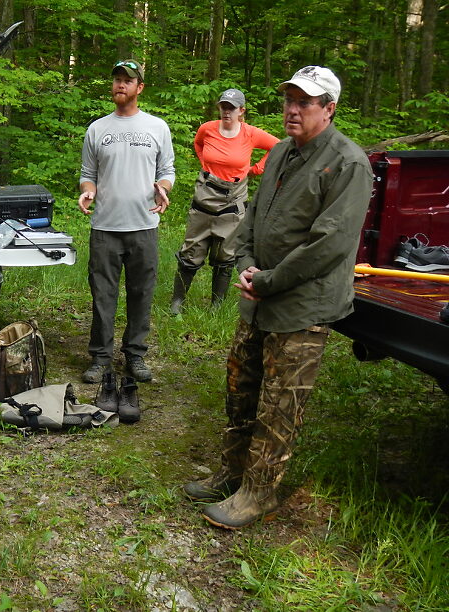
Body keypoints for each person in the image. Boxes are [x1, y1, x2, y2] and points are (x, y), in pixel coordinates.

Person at [183, 66, 373, 529]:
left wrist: (268, 280)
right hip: (258, 296)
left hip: (301, 306)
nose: (291, 108)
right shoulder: (283, 151)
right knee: (240, 389)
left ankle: (259, 491)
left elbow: (329, 244)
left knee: (279, 403)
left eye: (303, 102)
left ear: (328, 109)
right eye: (289, 98)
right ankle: (232, 472)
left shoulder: (348, 164)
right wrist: (246, 261)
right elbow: (250, 218)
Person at [78, 59, 175, 384]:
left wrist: (163, 188)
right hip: (105, 227)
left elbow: (167, 172)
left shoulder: (157, 128)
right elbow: (88, 175)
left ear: (139, 88)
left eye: (127, 81)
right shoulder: (98, 129)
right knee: (103, 295)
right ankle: (101, 357)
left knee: (141, 293)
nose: (120, 84)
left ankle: (135, 355)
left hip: (144, 226)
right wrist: (87, 192)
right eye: (117, 79)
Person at [171, 89, 279, 314]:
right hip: (205, 197)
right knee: (191, 250)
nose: (227, 112)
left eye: (232, 108)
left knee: (226, 254)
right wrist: (205, 165)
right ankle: (176, 303)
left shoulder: (250, 133)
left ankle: (216, 307)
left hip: (233, 201)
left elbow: (279, 147)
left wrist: (257, 169)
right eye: (223, 107)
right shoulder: (207, 129)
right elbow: (198, 144)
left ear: (241, 111)